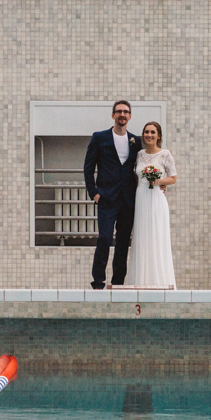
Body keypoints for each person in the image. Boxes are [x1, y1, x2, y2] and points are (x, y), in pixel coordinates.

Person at [84, 100, 140, 289]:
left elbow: (147, 163)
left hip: (128, 199)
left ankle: (118, 282)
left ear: (130, 116)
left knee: (123, 241)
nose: (122, 115)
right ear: (113, 115)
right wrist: (94, 193)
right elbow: (88, 168)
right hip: (106, 197)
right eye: (118, 111)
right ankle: (98, 280)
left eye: (125, 112)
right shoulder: (99, 138)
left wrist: (159, 184)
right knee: (105, 238)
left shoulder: (136, 141)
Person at [126, 121, 177, 289]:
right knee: (141, 236)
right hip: (141, 198)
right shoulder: (139, 154)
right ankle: (140, 280)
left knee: (157, 236)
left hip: (156, 199)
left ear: (159, 135)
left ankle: (159, 281)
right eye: (146, 132)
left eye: (153, 132)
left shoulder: (165, 154)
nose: (149, 135)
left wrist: (159, 181)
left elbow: (173, 177)